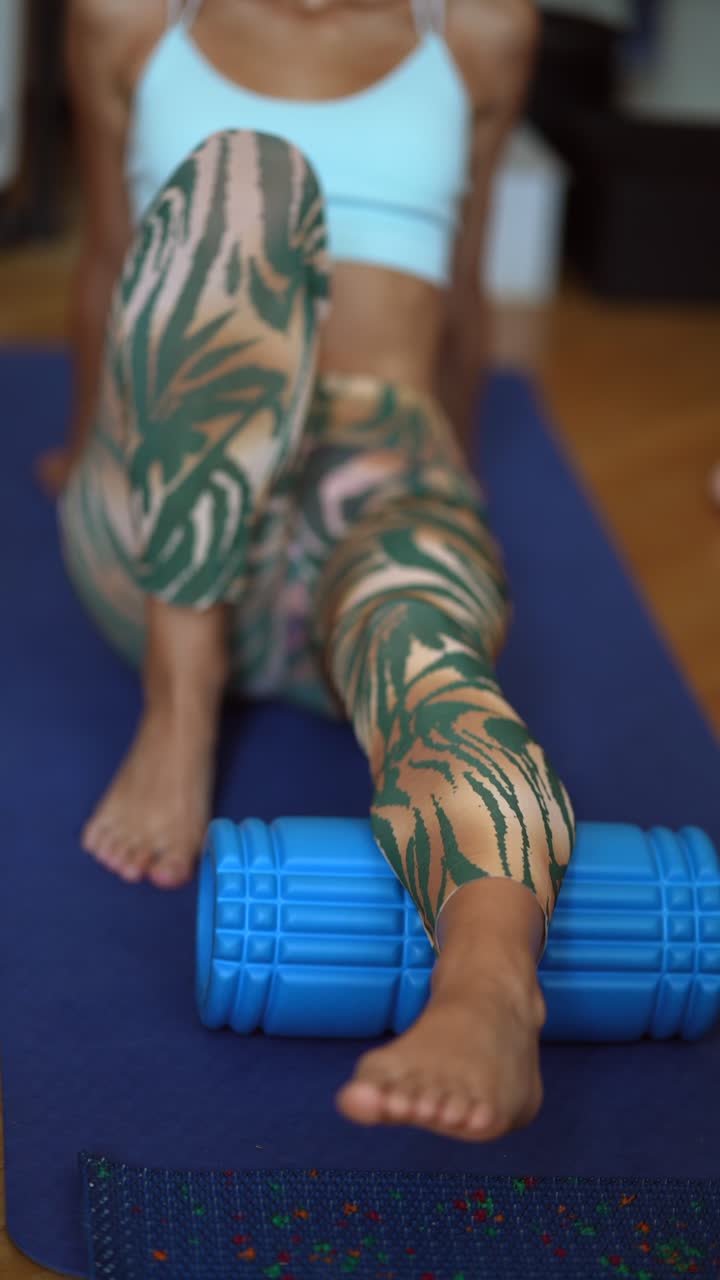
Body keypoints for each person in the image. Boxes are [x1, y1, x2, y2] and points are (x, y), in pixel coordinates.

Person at [40, 0, 575, 1143]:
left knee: (418, 630)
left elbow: (463, 297)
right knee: (246, 182)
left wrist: (445, 489)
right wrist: (88, 445)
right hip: (166, 520)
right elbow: (104, 258)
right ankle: (178, 713)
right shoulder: (128, 17)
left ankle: (490, 985)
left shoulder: (478, 27)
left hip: (367, 476)